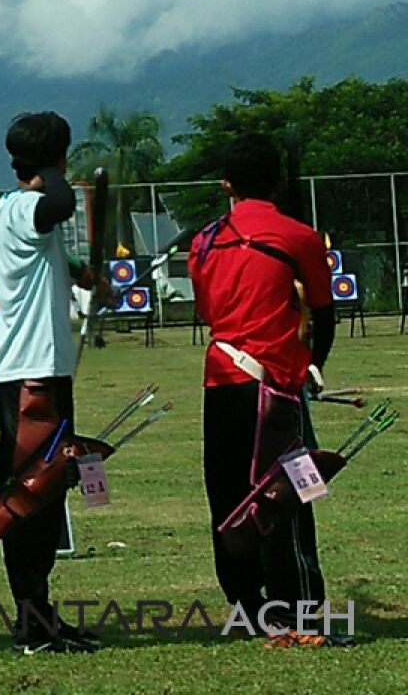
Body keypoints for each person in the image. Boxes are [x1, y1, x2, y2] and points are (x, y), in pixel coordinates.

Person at [189, 132, 346, 643]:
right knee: (286, 496)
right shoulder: (299, 236)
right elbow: (323, 313)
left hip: (221, 381)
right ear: (276, 180)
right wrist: (314, 365)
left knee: (229, 494)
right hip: (276, 386)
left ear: (226, 183)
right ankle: (295, 610)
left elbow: (209, 313)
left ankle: (246, 607)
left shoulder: (203, 240)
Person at [0, 112, 97, 654]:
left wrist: (79, 270)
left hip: (42, 371)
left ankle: (41, 614)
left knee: (50, 492)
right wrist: (53, 169)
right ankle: (31, 621)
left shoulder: (20, 213)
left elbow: (52, 252)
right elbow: (57, 204)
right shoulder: (30, 206)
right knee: (32, 495)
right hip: (31, 376)